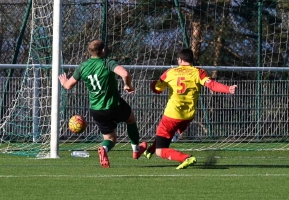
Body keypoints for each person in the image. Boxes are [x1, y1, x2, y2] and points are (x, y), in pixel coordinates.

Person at [58, 39, 147, 168]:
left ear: (90, 52)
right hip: (113, 104)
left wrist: (63, 82)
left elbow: (68, 86)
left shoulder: (82, 67)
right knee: (130, 119)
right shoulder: (107, 62)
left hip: (96, 110)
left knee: (110, 139)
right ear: (103, 50)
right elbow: (125, 73)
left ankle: (104, 149)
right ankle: (136, 150)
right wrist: (128, 85)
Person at [144, 48, 237, 169]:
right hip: (187, 117)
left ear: (180, 60)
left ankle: (185, 158)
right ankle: (149, 150)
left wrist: (153, 83)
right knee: (166, 135)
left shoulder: (170, 72)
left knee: (160, 151)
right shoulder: (198, 72)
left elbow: (157, 89)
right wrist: (228, 89)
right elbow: (212, 85)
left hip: (171, 115)